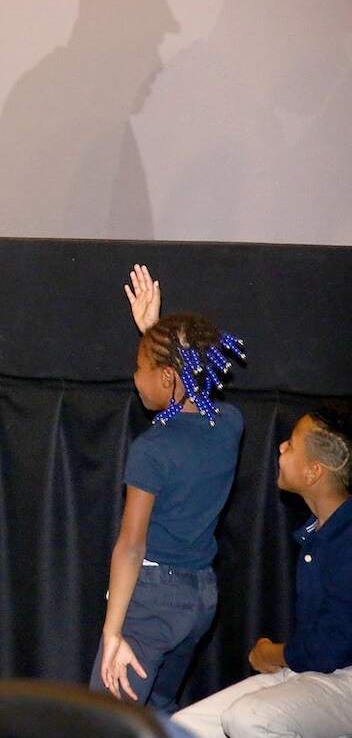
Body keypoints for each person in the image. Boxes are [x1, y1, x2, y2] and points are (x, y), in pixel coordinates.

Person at [91, 265, 246, 713]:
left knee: (107, 721)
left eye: (140, 367)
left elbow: (131, 545)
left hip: (152, 603)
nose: (134, 377)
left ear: (164, 378)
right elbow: (193, 393)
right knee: (156, 713)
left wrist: (113, 633)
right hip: (199, 599)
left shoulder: (151, 449)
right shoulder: (230, 425)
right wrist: (152, 334)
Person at [171, 408, 352, 737]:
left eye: (292, 445)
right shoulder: (321, 533)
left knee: (250, 718)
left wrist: (273, 652)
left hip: (343, 679)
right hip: (314, 672)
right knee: (182, 728)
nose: (281, 447)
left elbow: (330, 648)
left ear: (314, 472)